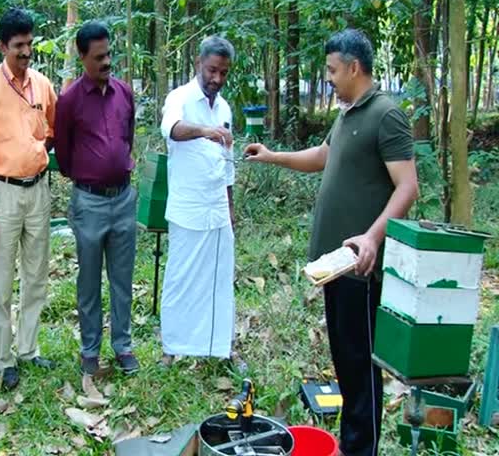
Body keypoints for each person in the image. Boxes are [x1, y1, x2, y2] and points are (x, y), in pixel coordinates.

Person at [244, 29, 419, 456]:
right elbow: (323, 157)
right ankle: (351, 441)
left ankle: (362, 448)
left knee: (360, 361)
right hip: (335, 264)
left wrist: (371, 238)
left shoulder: (385, 114)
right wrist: (273, 155)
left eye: (332, 71)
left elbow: (408, 186)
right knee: (345, 356)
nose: (329, 79)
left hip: (360, 266)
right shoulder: (348, 114)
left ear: (354, 68)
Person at [0, 8, 57, 390]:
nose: (25, 52)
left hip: (37, 189)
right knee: (1, 280)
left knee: (36, 276)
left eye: (29, 44)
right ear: (2, 45)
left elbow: (52, 128)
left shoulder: (42, 84)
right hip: (1, 192)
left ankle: (28, 350)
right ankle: (2, 359)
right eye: (18, 45)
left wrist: (38, 153)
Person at [55, 21, 139, 376]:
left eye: (109, 54)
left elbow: (128, 137)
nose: (106, 62)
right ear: (82, 56)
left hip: (123, 199)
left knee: (122, 279)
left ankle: (123, 346)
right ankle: (90, 350)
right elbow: (64, 152)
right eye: (98, 57)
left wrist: (114, 168)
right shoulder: (70, 100)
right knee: (89, 279)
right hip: (88, 202)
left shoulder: (124, 93)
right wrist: (91, 175)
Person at [159, 35, 236, 363]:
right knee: (180, 279)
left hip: (216, 208)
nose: (216, 79)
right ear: (198, 64)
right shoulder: (179, 98)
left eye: (223, 73)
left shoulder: (224, 107)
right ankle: (172, 348)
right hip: (187, 208)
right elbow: (171, 128)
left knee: (219, 281)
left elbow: (228, 163)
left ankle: (220, 349)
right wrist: (206, 131)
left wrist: (231, 207)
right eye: (211, 71)